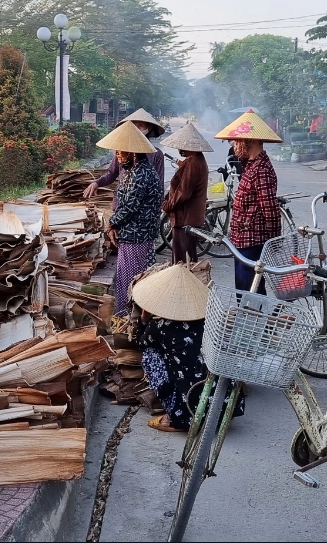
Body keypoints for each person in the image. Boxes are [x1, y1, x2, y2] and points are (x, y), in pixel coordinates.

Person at [132, 265, 210, 432]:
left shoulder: (159, 326)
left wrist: (144, 319)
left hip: (187, 406)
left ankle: (175, 414)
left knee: (149, 353)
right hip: (216, 401)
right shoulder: (207, 319)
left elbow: (140, 342)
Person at [214, 109, 282, 294]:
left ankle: (254, 320)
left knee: (250, 290)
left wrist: (273, 243)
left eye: (237, 141)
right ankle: (250, 319)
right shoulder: (250, 166)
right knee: (244, 289)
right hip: (242, 241)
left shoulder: (261, 169)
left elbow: (270, 211)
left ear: (249, 141)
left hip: (252, 242)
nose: (235, 146)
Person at [97, 121, 161, 316]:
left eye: (120, 153)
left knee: (131, 279)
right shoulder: (134, 171)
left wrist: (111, 223)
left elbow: (130, 207)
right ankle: (127, 316)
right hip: (132, 234)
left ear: (133, 153)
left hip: (137, 235)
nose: (118, 157)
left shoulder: (141, 174)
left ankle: (128, 319)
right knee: (125, 277)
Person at [83, 108, 166, 202]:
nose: (137, 129)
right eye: (134, 125)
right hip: (120, 203)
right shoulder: (122, 150)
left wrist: (158, 206)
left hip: (141, 207)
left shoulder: (156, 154)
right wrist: (97, 183)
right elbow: (112, 173)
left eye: (141, 126)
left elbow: (158, 185)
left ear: (149, 129)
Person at [159, 122, 212, 264]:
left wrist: (167, 205)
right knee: (186, 258)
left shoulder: (193, 162)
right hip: (188, 218)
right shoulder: (195, 160)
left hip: (185, 218)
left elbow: (183, 192)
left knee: (183, 261)